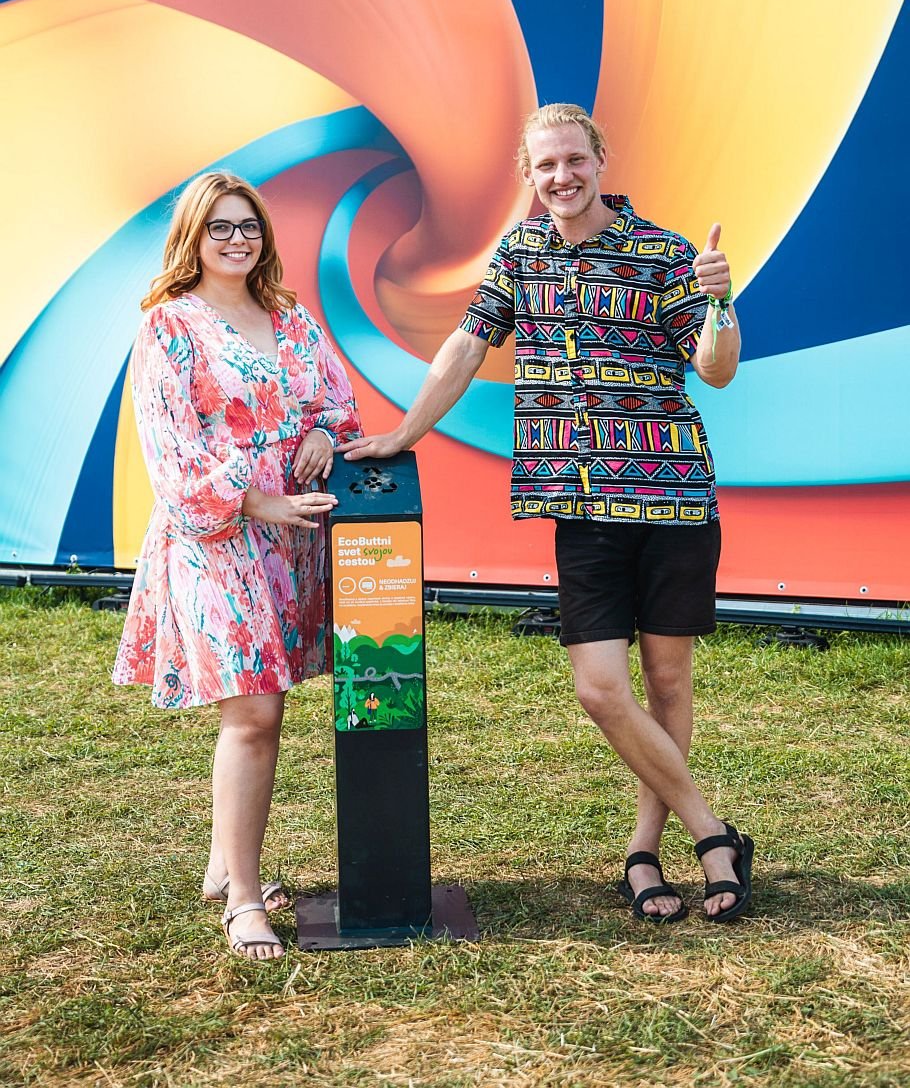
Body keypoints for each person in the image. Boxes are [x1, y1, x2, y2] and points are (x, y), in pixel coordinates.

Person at [340, 103, 754, 924]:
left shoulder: (664, 252)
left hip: (672, 498)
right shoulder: (520, 253)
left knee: (667, 681)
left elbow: (716, 370)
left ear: (599, 159)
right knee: (601, 689)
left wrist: (720, 304)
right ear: (528, 176)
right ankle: (714, 832)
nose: (561, 176)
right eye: (545, 166)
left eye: (574, 159)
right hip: (582, 505)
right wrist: (404, 432)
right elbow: (467, 344)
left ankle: (644, 850)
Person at [113, 171, 361, 959]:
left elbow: (336, 404)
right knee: (254, 713)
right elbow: (171, 454)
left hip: (292, 542)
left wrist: (322, 433)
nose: (236, 239)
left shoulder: (290, 316)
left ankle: (225, 865)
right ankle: (245, 903)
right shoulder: (168, 326)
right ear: (193, 236)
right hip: (216, 539)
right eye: (219, 226)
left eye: (248, 225)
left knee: (264, 707)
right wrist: (257, 502)